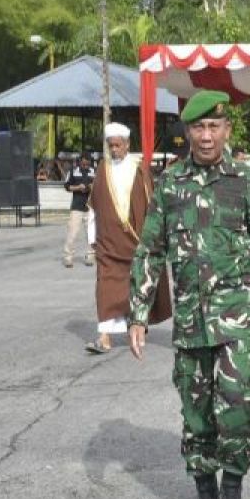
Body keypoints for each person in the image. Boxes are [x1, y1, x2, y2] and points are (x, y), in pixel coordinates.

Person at [129, 89, 250, 499]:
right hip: (192, 322)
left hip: (236, 320)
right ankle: (205, 493)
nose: (207, 135)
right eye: (198, 127)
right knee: (196, 414)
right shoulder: (171, 185)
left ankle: (232, 493)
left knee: (234, 409)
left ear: (227, 130)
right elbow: (150, 250)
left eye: (214, 127)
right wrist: (138, 313)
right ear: (188, 132)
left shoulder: (245, 181)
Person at [84, 122, 171, 354]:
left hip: (135, 243)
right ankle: (104, 337)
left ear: (127, 145)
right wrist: (92, 238)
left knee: (138, 288)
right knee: (106, 287)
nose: (114, 150)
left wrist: (156, 238)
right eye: (110, 146)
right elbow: (94, 207)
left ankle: (138, 324)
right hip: (108, 245)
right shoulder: (102, 169)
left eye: (118, 146)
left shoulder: (139, 170)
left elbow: (153, 207)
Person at [62, 154, 95, 268]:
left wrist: (92, 186)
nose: (85, 166)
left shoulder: (94, 171)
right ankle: (68, 257)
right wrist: (78, 188)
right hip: (77, 206)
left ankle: (90, 256)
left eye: (87, 164)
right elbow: (67, 186)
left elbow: (99, 186)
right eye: (83, 164)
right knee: (72, 233)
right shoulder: (73, 171)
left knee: (91, 234)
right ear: (79, 162)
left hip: (90, 207)